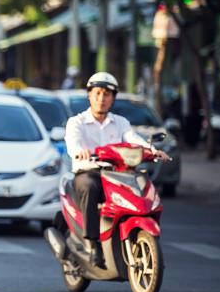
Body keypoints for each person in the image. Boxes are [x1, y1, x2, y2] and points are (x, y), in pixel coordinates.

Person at [64, 72, 169, 269]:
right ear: (89, 95)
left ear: (113, 98)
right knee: (90, 187)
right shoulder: (76, 122)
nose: (101, 99)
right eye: (97, 93)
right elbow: (73, 144)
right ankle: (92, 243)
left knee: (140, 187)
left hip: (118, 173)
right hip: (89, 172)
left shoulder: (121, 122)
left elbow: (134, 139)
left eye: (106, 94)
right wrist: (80, 151)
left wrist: (153, 151)